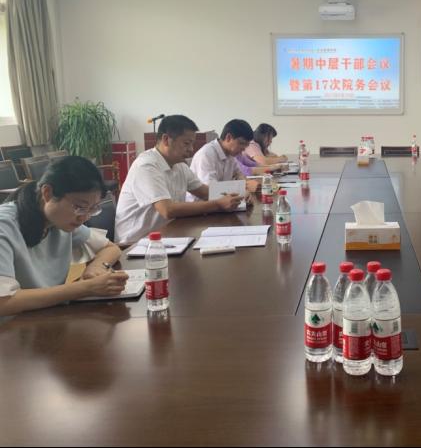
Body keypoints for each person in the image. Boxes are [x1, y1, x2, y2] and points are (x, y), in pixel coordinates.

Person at [0, 156, 128, 316]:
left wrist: (96, 268)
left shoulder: (59, 220)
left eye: (93, 208)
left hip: (46, 317)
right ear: (47, 193)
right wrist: (85, 288)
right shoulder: (5, 226)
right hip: (12, 326)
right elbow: (4, 302)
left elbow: (110, 248)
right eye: (79, 207)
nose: (84, 217)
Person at [115, 115, 243, 245]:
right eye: (186, 143)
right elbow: (167, 210)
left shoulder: (179, 165)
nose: (191, 149)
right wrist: (218, 204)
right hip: (135, 244)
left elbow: (205, 192)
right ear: (166, 139)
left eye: (192, 144)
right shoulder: (146, 166)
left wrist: (239, 195)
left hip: (169, 236)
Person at [189, 119, 259, 196]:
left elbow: (239, 174)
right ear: (228, 137)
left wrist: (246, 184)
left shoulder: (231, 154)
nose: (243, 149)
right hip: (202, 202)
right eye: (241, 143)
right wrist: (242, 187)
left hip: (221, 200)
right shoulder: (206, 154)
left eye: (246, 145)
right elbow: (211, 190)